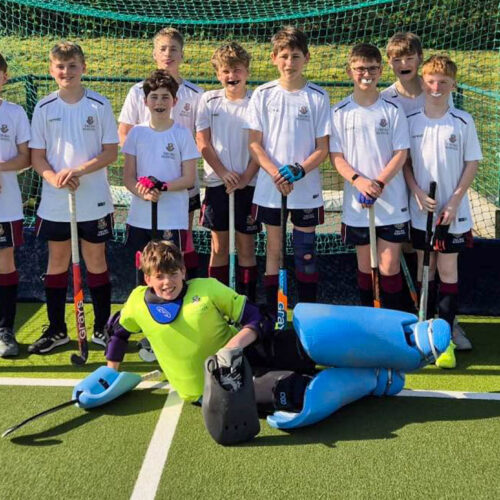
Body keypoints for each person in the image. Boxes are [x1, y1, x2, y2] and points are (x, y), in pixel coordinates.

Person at [105, 240, 316, 408]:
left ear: (183, 271)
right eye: (159, 276)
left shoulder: (207, 289)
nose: (167, 282)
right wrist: (110, 375)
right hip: (212, 387)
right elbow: (118, 332)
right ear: (147, 279)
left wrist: (232, 348)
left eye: (173, 274)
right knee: (292, 390)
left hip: (243, 352)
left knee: (303, 346)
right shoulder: (137, 303)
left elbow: (258, 318)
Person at [28, 41, 118, 354]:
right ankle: (57, 329)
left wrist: (78, 170)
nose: (66, 72)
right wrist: (54, 178)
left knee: (96, 260)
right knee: (57, 260)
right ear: (52, 70)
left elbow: (110, 152)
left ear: (83, 68)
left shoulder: (99, 105)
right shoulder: (43, 107)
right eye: (60, 67)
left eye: (72, 66)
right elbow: (37, 156)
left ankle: (103, 327)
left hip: (93, 198)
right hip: (56, 199)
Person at [382, 32, 467, 346]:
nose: (404, 63)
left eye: (409, 57)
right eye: (397, 58)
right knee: (406, 254)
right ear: (390, 62)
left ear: (419, 59)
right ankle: (410, 319)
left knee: (439, 259)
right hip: (399, 187)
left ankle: (447, 324)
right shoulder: (386, 97)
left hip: (435, 192)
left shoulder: (435, 89)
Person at [403, 55, 482, 368]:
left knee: (448, 271)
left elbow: (471, 163)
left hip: (453, 212)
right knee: (426, 269)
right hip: (421, 210)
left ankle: (445, 338)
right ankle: (425, 333)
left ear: (453, 85)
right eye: (431, 81)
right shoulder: (411, 121)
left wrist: (454, 201)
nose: (436, 87)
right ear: (423, 82)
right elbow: (406, 164)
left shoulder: (462, 121)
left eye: (443, 82)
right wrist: (416, 191)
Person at [246, 27, 331, 313]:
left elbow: (322, 148)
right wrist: (276, 173)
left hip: (304, 188)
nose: (289, 62)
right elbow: (254, 144)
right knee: (275, 251)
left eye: (295, 56)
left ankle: (309, 314)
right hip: (272, 188)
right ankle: (274, 314)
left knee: (305, 252)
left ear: (307, 58)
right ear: (274, 58)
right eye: (283, 56)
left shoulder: (318, 96)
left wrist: (298, 170)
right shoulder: (262, 94)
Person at [329, 43, 410, 310]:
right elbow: (336, 156)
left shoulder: (393, 109)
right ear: (349, 71)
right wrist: (360, 181)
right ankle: (369, 319)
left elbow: (401, 153)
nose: (367, 74)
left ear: (380, 70)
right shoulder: (339, 111)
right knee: (365, 267)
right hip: (357, 203)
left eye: (373, 68)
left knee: (388, 267)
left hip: (391, 201)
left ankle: (394, 321)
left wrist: (378, 182)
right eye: (360, 68)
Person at [118, 27, 203, 279]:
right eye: (162, 49)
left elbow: (201, 138)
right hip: (145, 188)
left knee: (179, 247)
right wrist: (142, 184)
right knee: (146, 258)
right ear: (154, 54)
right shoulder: (138, 92)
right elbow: (125, 134)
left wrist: (164, 185)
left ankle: (183, 290)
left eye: (173, 49)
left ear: (182, 54)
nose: (168, 54)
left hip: (179, 184)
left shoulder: (196, 94)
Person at [196, 42, 260, 300]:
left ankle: (247, 303)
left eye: (237, 70)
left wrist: (245, 177)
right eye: (225, 71)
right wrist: (223, 172)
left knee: (246, 248)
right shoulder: (208, 100)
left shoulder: (257, 101)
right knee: (219, 247)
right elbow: (203, 142)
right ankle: (217, 302)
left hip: (249, 183)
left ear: (247, 71)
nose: (232, 76)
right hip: (217, 183)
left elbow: (262, 146)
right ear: (218, 74)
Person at [122, 69, 198, 262]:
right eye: (154, 97)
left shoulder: (182, 134)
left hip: (173, 217)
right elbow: (128, 178)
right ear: (145, 102)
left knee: (169, 268)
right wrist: (143, 193)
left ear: (175, 101)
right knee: (142, 268)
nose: (159, 102)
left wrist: (162, 187)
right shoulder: (136, 133)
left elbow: (189, 179)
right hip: (140, 216)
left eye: (165, 97)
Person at [0, 53, 31, 357]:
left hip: (6, 204)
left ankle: (5, 330)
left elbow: (26, 158)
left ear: (5, 77)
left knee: (4, 263)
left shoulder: (14, 113)